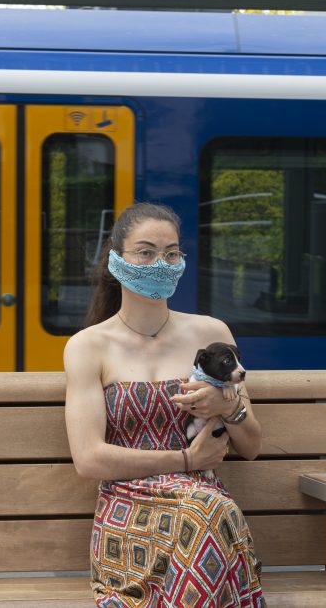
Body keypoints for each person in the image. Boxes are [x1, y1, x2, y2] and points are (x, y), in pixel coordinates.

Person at [64, 202, 265, 607]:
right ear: (116, 261)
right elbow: (89, 459)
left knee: (207, 509)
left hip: (202, 502)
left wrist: (227, 406)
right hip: (130, 509)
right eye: (146, 252)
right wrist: (187, 460)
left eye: (171, 253)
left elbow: (252, 445)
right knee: (210, 511)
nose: (161, 264)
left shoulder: (211, 333)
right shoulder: (88, 346)